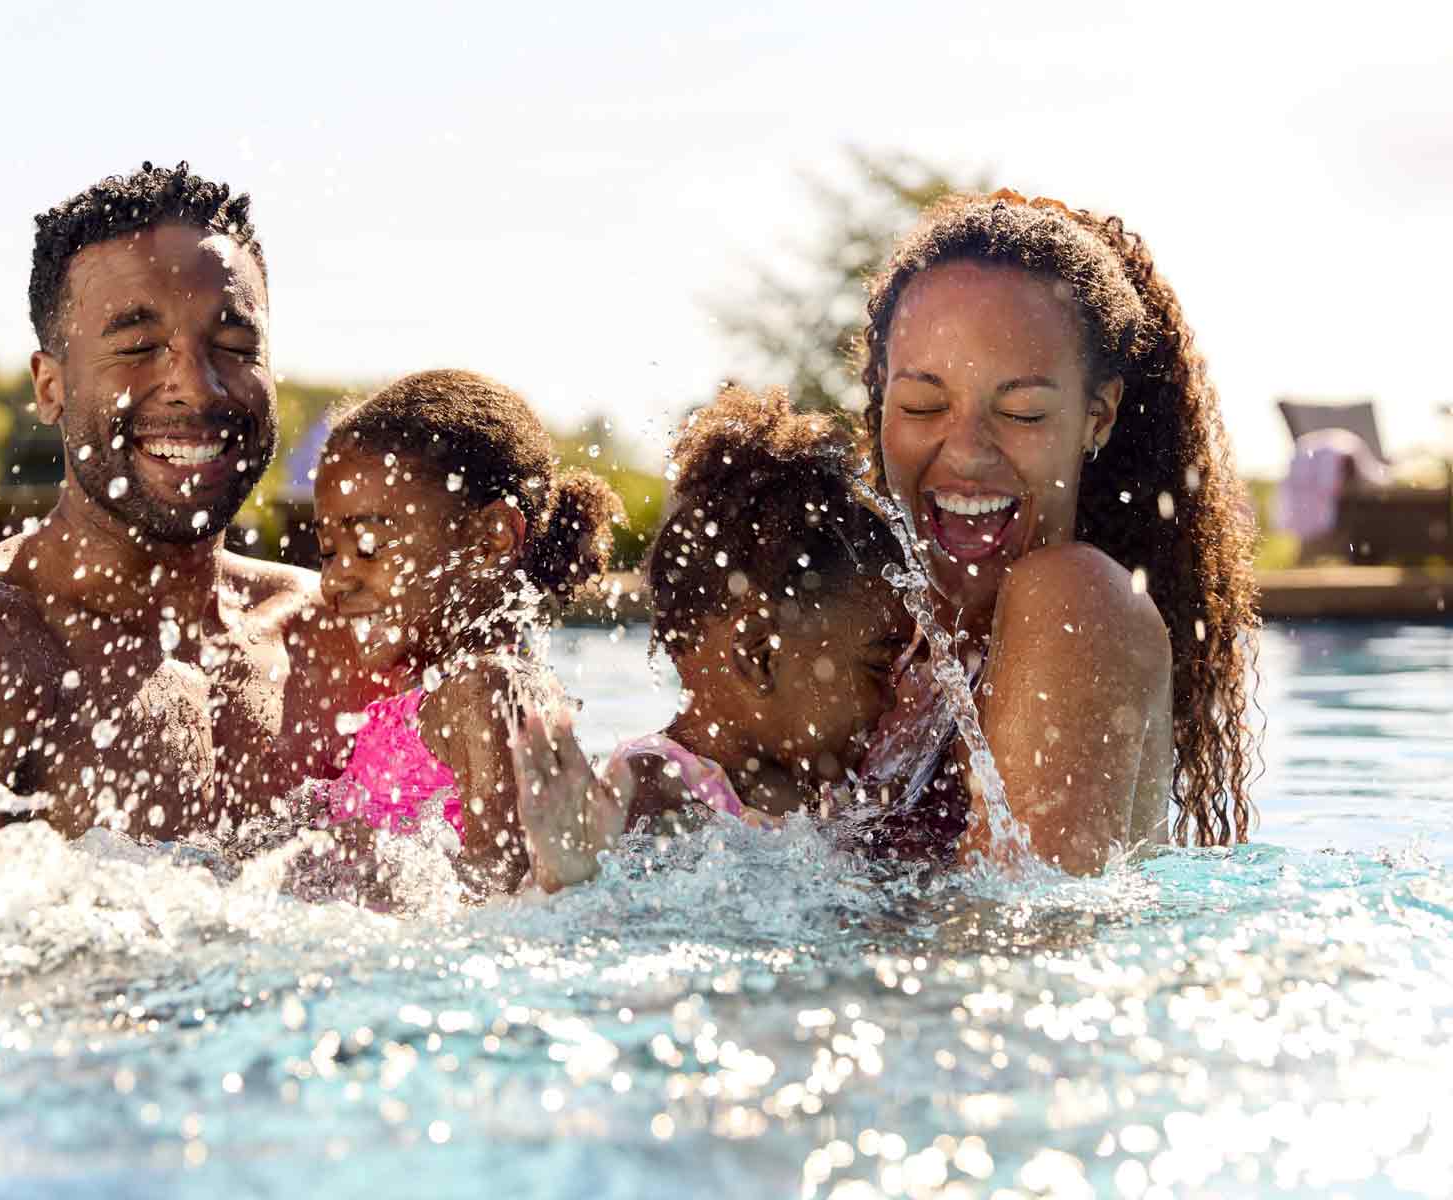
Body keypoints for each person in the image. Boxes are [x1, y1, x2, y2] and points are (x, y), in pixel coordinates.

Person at [0, 163, 374, 881]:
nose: (195, 384)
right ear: (50, 385)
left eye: (233, 345)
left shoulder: (335, 632)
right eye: (136, 346)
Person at [856, 190, 1260, 873]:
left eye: (1021, 412)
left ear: (1097, 417)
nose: (966, 453)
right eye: (923, 404)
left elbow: (1019, 945)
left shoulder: (1074, 599)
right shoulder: (890, 644)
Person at [513, 385, 912, 892]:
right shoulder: (654, 785)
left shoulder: (819, 792)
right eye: (878, 667)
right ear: (758, 655)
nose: (894, 697)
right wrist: (572, 879)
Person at [309, 369, 623, 899]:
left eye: (367, 547)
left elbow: (498, 891)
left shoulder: (485, 689)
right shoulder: (443, 692)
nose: (335, 579)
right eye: (326, 552)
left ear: (490, 538)